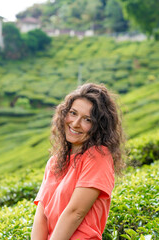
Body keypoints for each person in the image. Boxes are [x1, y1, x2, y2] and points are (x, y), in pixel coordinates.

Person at [31, 83, 126, 240]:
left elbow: (76, 212)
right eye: (73, 113)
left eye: (87, 119)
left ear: (98, 126)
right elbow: (41, 215)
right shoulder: (54, 163)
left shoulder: (98, 156)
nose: (75, 123)